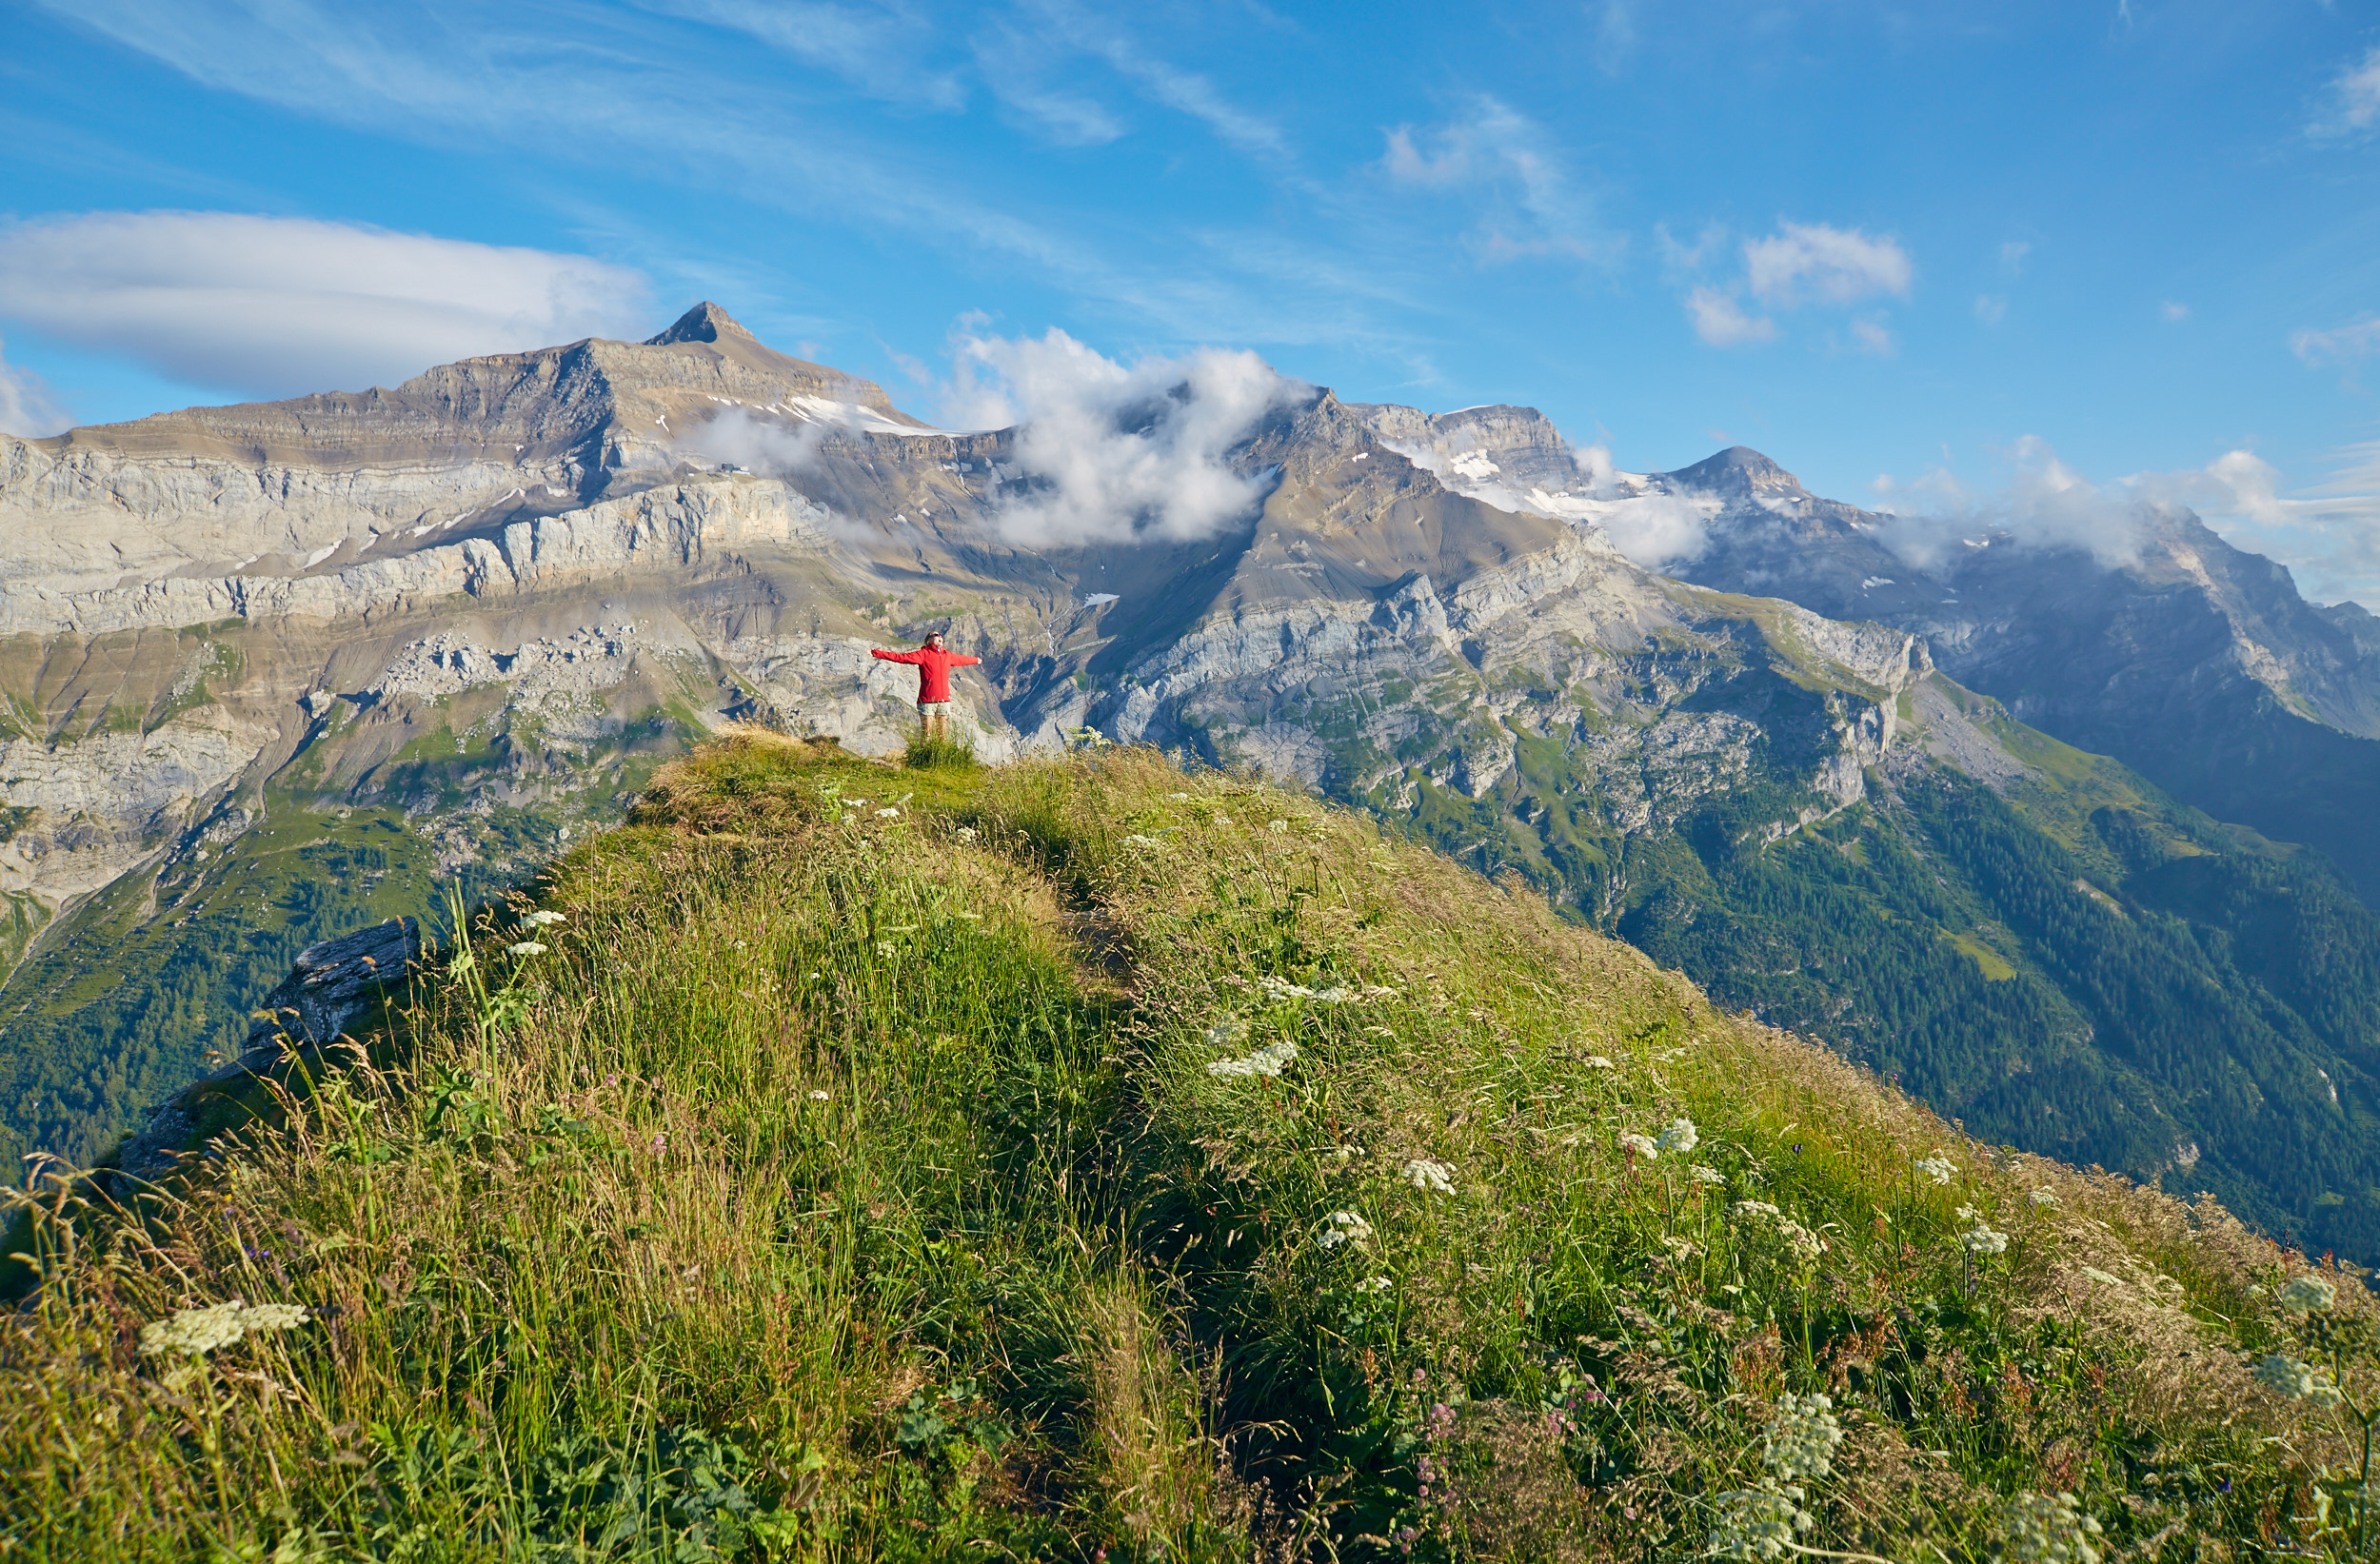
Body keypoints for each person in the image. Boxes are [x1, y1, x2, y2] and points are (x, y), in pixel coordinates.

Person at [871, 630, 981, 742]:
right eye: (936, 635)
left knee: (942, 737)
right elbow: (901, 657)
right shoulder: (923, 654)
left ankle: (939, 753)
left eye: (941, 635)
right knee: (926, 736)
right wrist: (876, 653)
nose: (940, 637)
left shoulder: (947, 655)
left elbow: (962, 659)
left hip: (944, 702)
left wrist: (976, 660)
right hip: (927, 702)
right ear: (929, 641)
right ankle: (925, 753)